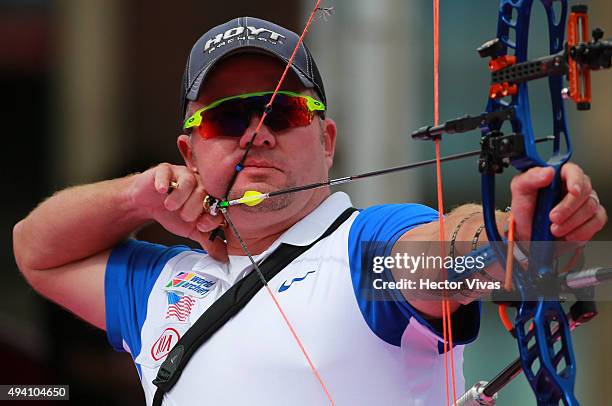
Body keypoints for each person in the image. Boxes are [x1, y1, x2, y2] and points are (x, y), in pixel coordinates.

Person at [13, 17, 607, 406]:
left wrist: (518, 242)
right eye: (228, 119)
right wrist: (140, 197)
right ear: (190, 153)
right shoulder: (162, 285)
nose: (256, 136)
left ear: (325, 140)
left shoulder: (362, 256)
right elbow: (35, 251)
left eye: (283, 114)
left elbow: (451, 255)